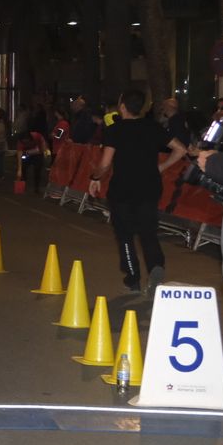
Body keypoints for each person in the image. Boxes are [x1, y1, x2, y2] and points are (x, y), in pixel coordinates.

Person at [88, 89, 187, 297]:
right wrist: (162, 167)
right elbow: (180, 149)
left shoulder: (115, 130)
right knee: (148, 232)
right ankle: (156, 267)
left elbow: (105, 164)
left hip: (122, 190)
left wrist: (95, 178)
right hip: (150, 188)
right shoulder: (154, 127)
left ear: (122, 106)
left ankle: (133, 278)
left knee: (124, 235)